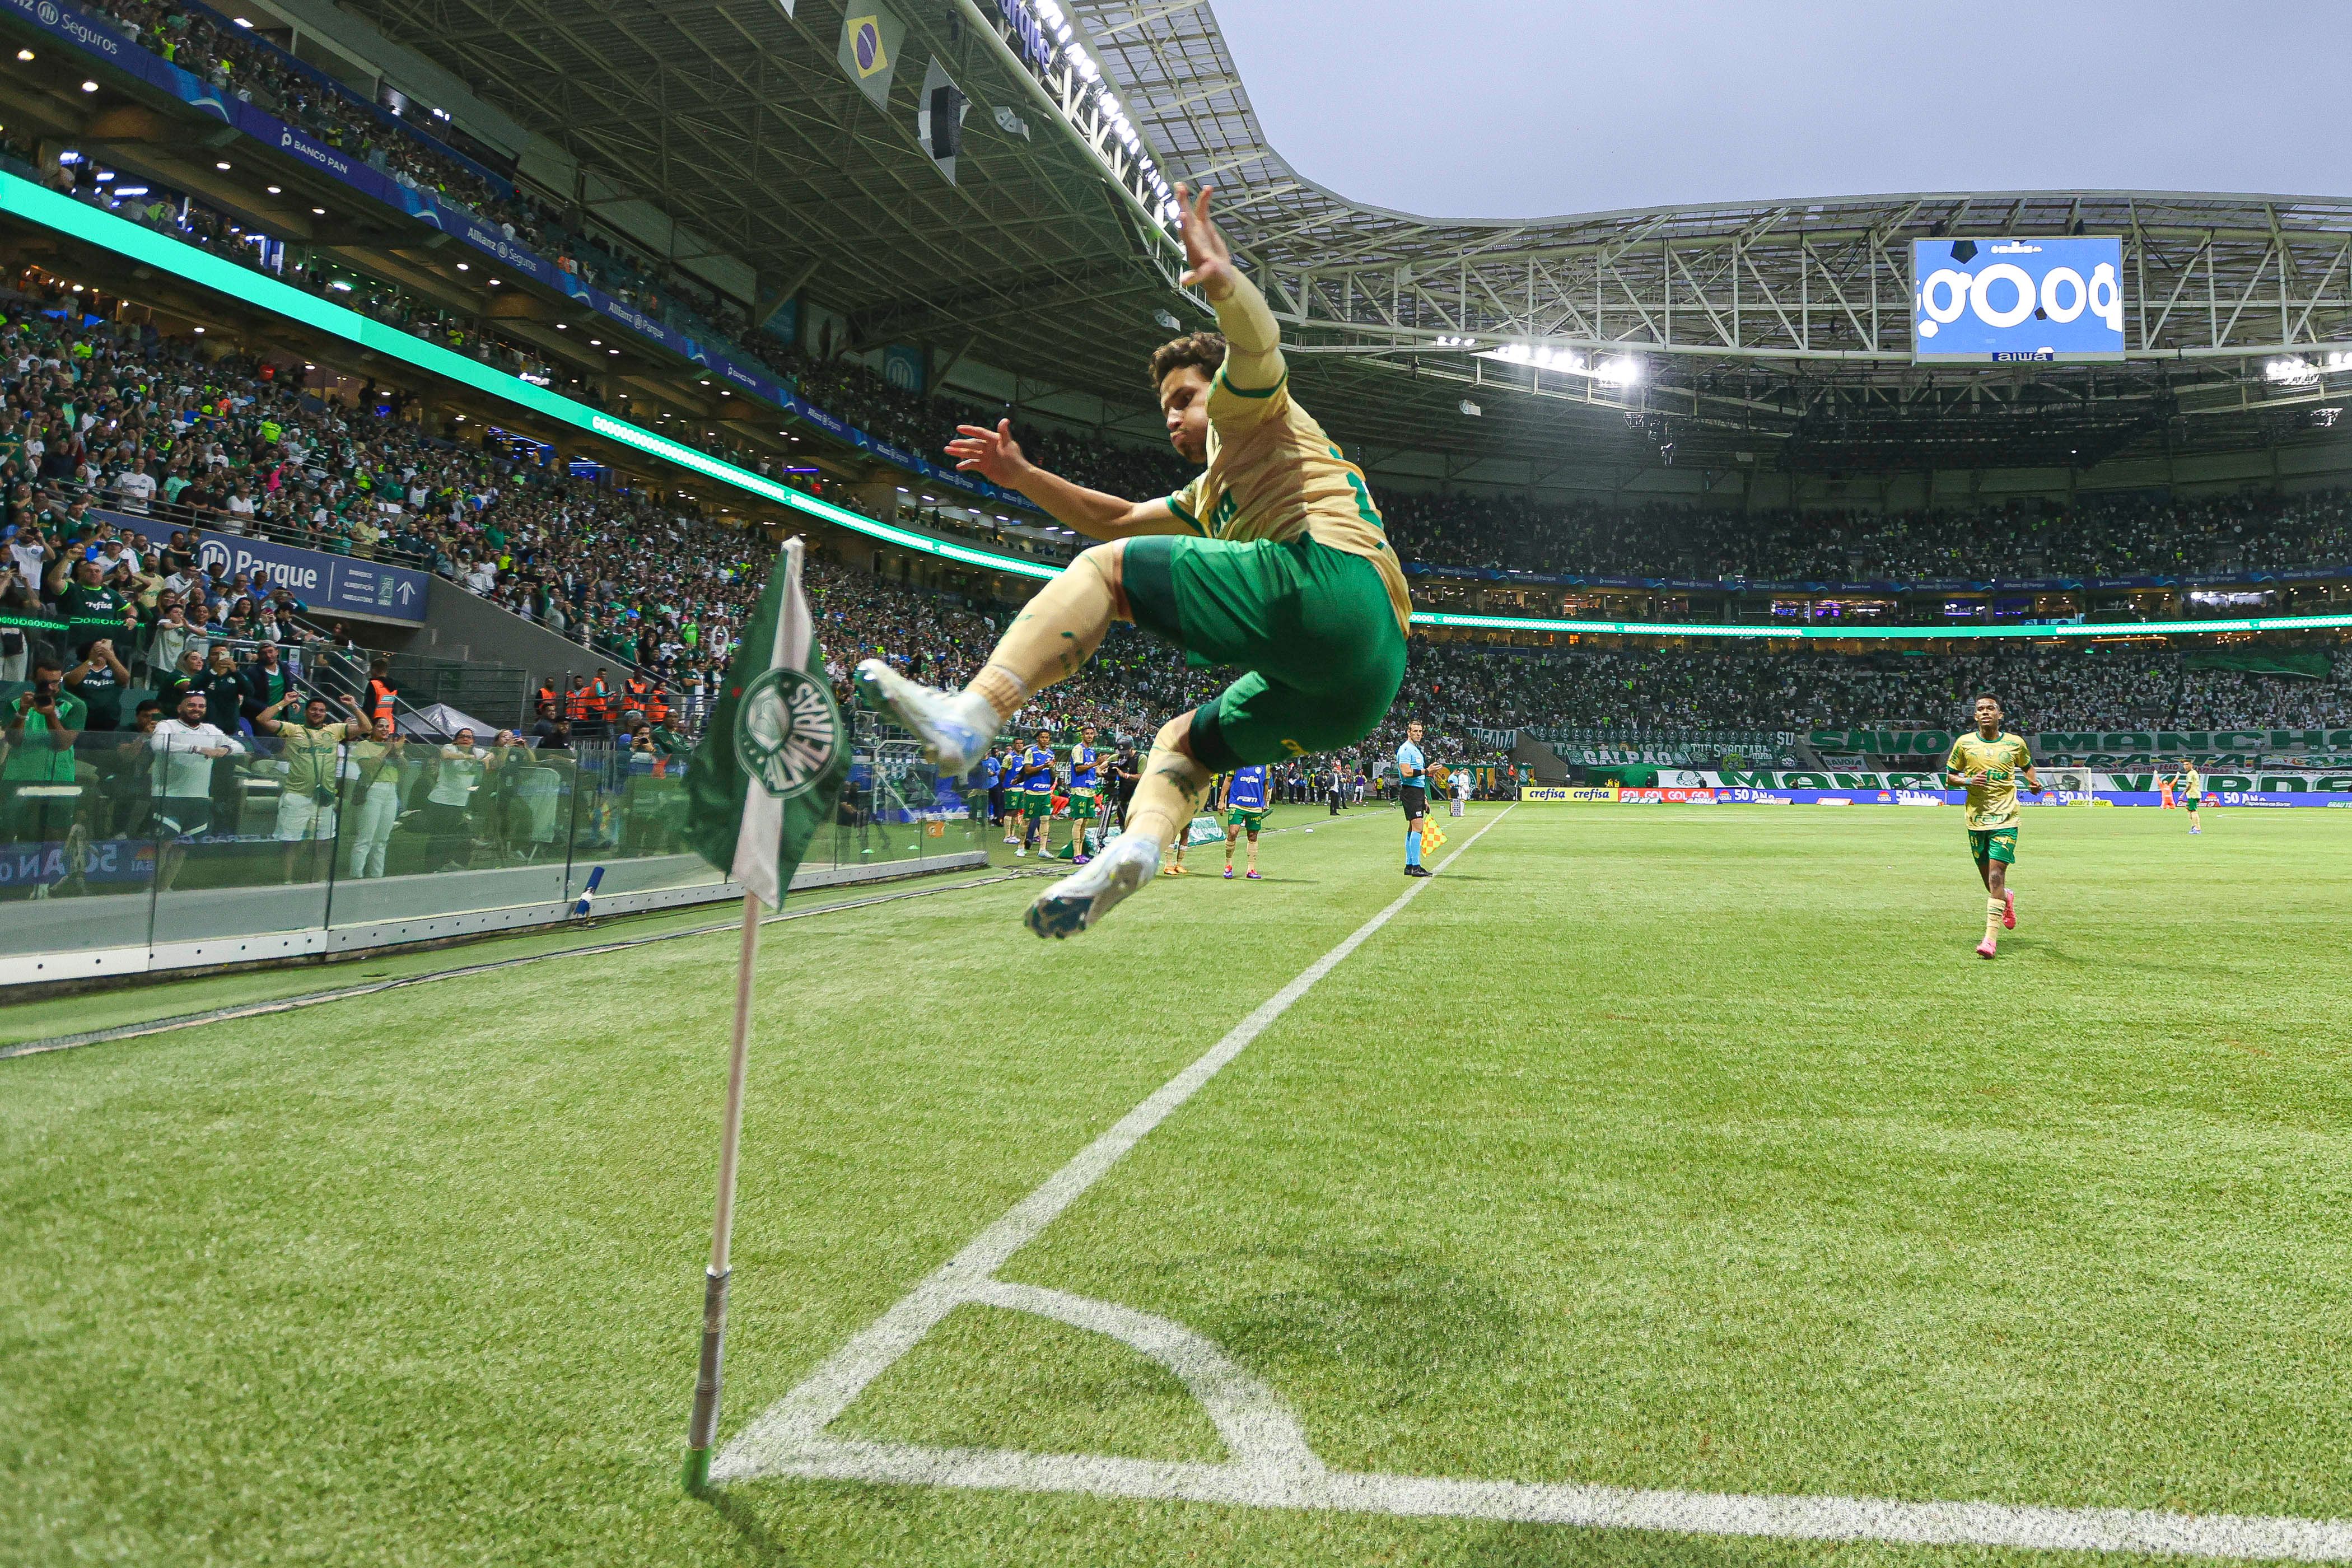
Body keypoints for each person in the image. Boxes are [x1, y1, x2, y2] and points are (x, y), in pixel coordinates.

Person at [863, 183, 1408, 937]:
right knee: (1182, 744)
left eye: (1183, 398)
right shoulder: (1213, 489)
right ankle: (1141, 848)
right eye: (1166, 408)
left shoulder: (1243, 409)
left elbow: (1256, 346)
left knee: (1107, 571)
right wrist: (1023, 478)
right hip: (1361, 684)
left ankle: (973, 714)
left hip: (1327, 579)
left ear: (1214, 389)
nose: (1174, 416)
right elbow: (1113, 515)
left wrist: (1224, 282)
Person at [1943, 694, 2041, 959]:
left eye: (1991, 708)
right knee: (1990, 881)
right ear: (1975, 716)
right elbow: (1950, 776)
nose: (1985, 712)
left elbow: (2028, 767)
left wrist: (2034, 783)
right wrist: (1967, 782)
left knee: (1997, 876)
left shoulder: (2015, 743)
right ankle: (2006, 899)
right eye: (1980, 709)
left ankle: (1989, 940)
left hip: (2007, 818)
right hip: (1976, 819)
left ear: (2000, 715)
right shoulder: (1965, 744)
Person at [254, 692, 368, 884]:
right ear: (307, 712)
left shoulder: (335, 730)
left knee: (324, 843)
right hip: (297, 795)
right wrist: (285, 702)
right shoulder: (292, 729)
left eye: (322, 711)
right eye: (314, 709)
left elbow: (366, 727)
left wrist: (354, 706)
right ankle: (287, 881)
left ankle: (320, 881)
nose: (317, 713)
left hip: (324, 797)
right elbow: (262, 719)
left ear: (326, 714)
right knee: (292, 843)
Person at [150, 690, 244, 893]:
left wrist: (225, 750)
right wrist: (197, 749)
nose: (197, 709)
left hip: (199, 797)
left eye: (201, 706)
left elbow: (239, 746)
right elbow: (157, 744)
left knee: (182, 848)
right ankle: (150, 890)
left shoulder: (210, 730)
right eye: (192, 705)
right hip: (169, 796)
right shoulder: (167, 725)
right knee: (163, 845)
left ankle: (165, 888)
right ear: (180, 708)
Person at [3, 658, 85, 850]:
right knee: (11, 834)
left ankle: (50, 878)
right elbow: (13, 740)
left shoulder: (75, 705)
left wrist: (50, 715)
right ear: (33, 679)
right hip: (19, 778)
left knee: (56, 836)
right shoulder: (16, 704)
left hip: (59, 779)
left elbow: (64, 743)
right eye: (45, 682)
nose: (51, 687)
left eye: (56, 682)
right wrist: (23, 712)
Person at [343, 712, 406, 879]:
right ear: (372, 729)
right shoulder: (364, 745)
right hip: (373, 790)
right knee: (366, 838)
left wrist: (398, 752)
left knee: (382, 839)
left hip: (391, 791)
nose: (385, 729)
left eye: (387, 727)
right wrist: (386, 750)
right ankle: (356, 876)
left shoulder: (393, 748)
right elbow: (367, 767)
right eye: (380, 726)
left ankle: (377, 876)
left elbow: (406, 769)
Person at [1221, 762, 1269, 880]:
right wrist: (1222, 800)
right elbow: (1228, 780)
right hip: (1237, 804)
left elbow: (1266, 784)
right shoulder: (1237, 761)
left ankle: (1251, 869)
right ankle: (1228, 866)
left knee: (1253, 836)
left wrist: (1263, 803)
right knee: (1233, 832)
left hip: (1256, 806)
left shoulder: (1266, 765)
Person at [1397, 720, 1431, 877]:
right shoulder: (1406, 750)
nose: (1418, 733)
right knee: (1418, 827)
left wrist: (1424, 797)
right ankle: (1416, 867)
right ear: (1408, 732)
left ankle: (1410, 865)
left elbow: (1418, 779)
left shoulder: (1416, 750)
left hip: (1417, 791)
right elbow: (1406, 772)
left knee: (1413, 828)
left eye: (1420, 731)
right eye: (1415, 731)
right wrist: (1427, 771)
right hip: (1410, 791)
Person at [1015, 729, 1055, 859]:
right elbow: (1028, 770)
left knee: (1045, 820)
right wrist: (1044, 766)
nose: (1045, 740)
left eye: (1047, 738)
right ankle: (1021, 846)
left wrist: (1052, 768)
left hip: (1045, 792)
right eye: (1043, 737)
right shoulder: (1031, 752)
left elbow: (1051, 772)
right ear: (1038, 738)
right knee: (1027, 820)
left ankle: (1043, 849)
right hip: (1032, 791)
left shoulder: (1050, 753)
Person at [1065, 725, 1101, 864]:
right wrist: (1096, 763)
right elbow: (1079, 768)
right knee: (1079, 821)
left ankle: (1080, 853)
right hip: (1079, 789)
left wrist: (1100, 768)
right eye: (1087, 734)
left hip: (1090, 789)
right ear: (1083, 735)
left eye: (1092, 733)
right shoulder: (1078, 749)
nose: (1090, 736)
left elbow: (1093, 769)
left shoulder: (1091, 751)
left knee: (1085, 822)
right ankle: (1076, 854)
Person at [2169, 755, 2205, 834]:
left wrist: (2183, 794)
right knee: (2189, 808)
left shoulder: (2190, 774)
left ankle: (2197, 828)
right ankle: (2193, 826)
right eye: (2184, 765)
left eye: (2187, 764)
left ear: (2191, 765)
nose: (2185, 766)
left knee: (2193, 810)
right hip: (2196, 794)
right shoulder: (2195, 772)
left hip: (2193, 795)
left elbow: (2189, 785)